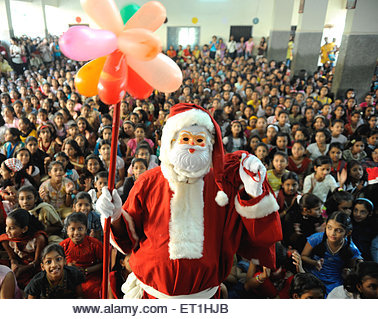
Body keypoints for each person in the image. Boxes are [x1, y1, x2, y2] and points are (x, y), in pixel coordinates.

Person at [96, 103, 282, 298]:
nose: (192, 146)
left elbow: (253, 232)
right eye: (185, 138)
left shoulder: (222, 186)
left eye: (199, 140)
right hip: (152, 296)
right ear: (171, 141)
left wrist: (253, 192)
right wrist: (115, 215)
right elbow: (128, 238)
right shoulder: (148, 181)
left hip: (204, 296)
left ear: (210, 145)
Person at [301, 211, 363, 294]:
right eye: (329, 228)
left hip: (335, 281)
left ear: (348, 233)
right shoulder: (316, 239)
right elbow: (304, 256)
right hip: (314, 277)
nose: (332, 233)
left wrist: (347, 272)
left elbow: (351, 268)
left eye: (338, 230)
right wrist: (315, 263)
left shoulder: (351, 249)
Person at [0, 208, 47, 289]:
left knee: (36, 282)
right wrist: (14, 264)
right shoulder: (6, 240)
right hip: (19, 264)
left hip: (33, 267)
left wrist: (21, 270)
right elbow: (12, 258)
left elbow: (37, 262)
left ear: (24, 229)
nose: (7, 230)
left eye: (12, 228)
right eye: (6, 226)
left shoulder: (38, 239)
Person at [60, 212, 103, 299]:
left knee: (93, 291)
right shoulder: (63, 245)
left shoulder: (94, 244)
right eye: (72, 229)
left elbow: (104, 263)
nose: (76, 233)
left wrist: (86, 270)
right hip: (69, 277)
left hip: (90, 276)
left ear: (86, 229)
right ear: (67, 231)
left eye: (80, 228)